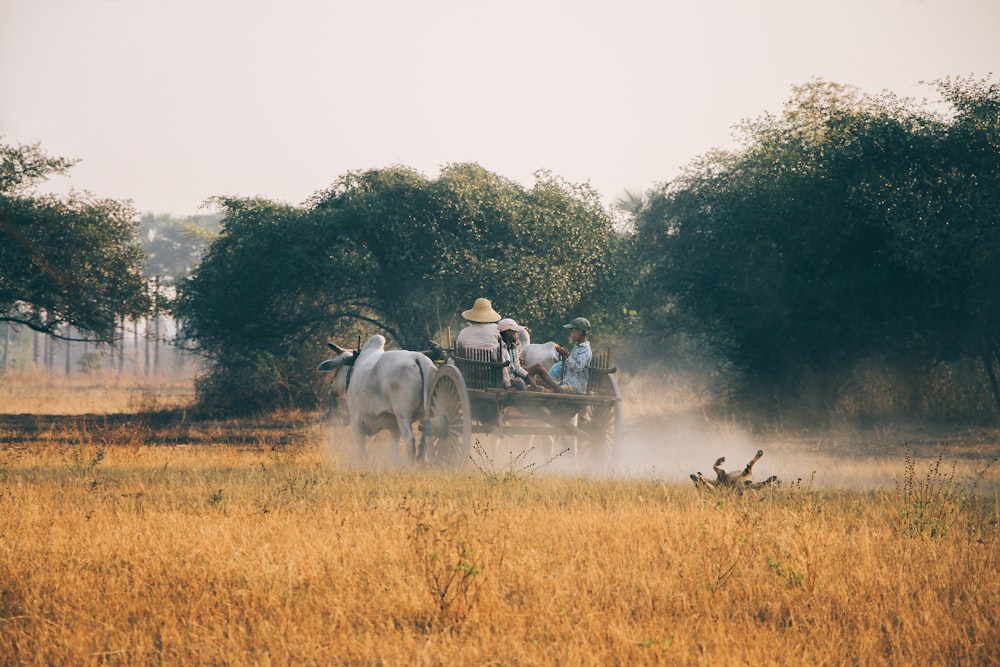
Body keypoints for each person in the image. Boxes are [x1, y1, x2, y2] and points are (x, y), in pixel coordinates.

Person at [497, 318, 565, 392]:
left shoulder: (513, 348)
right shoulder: (500, 349)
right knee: (520, 383)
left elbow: (518, 368)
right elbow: (504, 372)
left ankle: (558, 389)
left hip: (515, 376)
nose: (518, 334)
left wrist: (528, 376)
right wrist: (509, 385)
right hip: (508, 381)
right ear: (508, 333)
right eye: (515, 332)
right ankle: (533, 392)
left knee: (538, 367)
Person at [550, 316, 593, 394]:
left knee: (550, 391)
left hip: (575, 387)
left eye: (572, 331)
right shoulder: (577, 347)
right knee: (547, 386)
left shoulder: (585, 349)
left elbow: (578, 367)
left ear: (580, 332)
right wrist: (565, 355)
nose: (571, 334)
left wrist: (567, 355)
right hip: (568, 384)